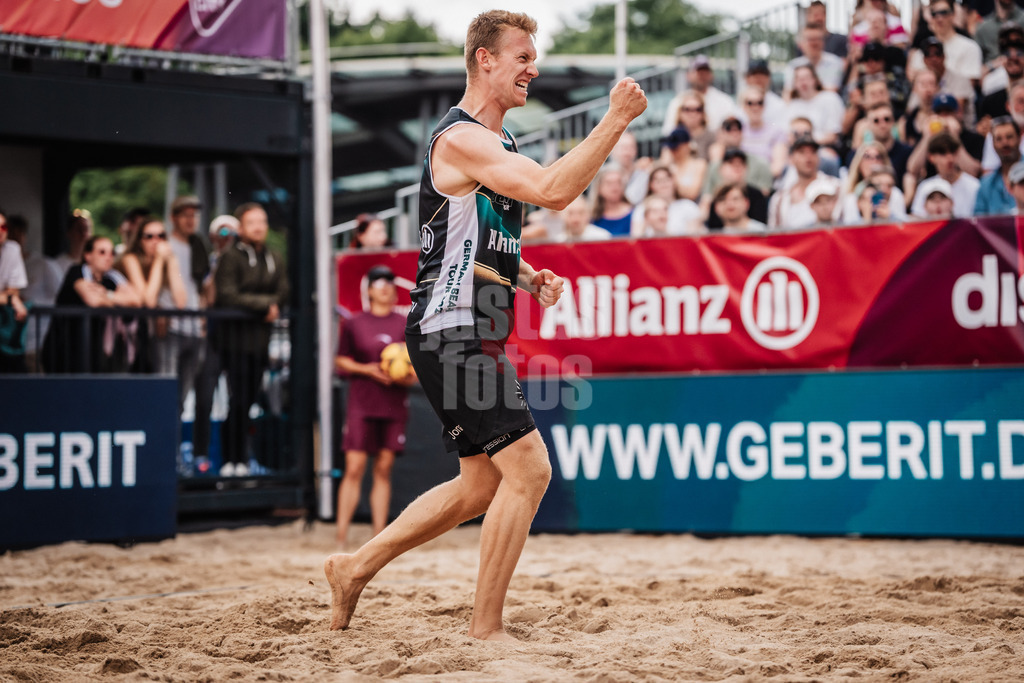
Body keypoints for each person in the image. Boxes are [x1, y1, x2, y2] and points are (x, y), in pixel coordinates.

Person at [324, 9, 647, 641]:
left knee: (478, 486)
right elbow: (553, 192)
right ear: (485, 60)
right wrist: (615, 118)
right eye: (522, 56)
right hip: (453, 326)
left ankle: (353, 567)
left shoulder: (499, 145)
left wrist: (526, 276)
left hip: (472, 322)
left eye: (535, 55)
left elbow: (471, 236)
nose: (534, 67)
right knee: (529, 470)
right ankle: (486, 628)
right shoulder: (462, 138)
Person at [334, 265, 416, 547]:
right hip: (362, 402)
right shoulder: (355, 323)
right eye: (378, 282)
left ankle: (378, 536)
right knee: (354, 468)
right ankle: (340, 536)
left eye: (390, 282)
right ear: (368, 289)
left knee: (383, 469)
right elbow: (340, 360)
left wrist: (403, 375)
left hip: (393, 404)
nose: (385, 287)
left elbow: (415, 369)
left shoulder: (404, 324)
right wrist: (369, 370)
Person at [213, 202, 289, 477]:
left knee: (250, 401)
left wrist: (268, 304)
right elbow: (227, 295)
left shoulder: (274, 256)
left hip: (261, 342)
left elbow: (283, 291)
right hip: (234, 342)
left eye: (263, 221)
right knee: (237, 401)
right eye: (252, 222)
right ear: (240, 227)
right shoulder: (230, 257)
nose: (259, 227)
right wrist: (265, 306)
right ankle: (229, 460)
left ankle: (243, 459)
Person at [41, 235, 142, 373]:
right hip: (64, 347)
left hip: (92, 350)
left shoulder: (112, 277)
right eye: (102, 252)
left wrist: (106, 294)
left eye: (112, 252)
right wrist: (116, 299)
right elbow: (92, 300)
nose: (108, 257)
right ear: (88, 255)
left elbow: (135, 300)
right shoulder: (77, 271)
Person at [192, 213, 239, 474]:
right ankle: (200, 457)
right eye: (224, 233)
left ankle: (235, 460)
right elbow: (208, 296)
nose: (229, 238)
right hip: (211, 339)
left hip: (235, 340)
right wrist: (222, 260)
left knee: (237, 400)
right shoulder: (209, 263)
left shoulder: (245, 265)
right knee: (204, 399)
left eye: (234, 234)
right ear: (213, 237)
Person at [6, 214, 61, 371]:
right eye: (11, 233)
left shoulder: (43, 264)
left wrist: (28, 303)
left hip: (36, 340)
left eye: (19, 234)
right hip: (8, 340)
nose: (15, 239)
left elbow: (59, 296)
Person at [909, 132, 980, 217]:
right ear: (931, 157)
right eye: (943, 153)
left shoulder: (974, 186)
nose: (950, 158)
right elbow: (917, 221)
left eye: (953, 152)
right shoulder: (925, 187)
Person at [768, 134, 829, 230]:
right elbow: (774, 236)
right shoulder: (779, 199)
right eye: (802, 152)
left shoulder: (837, 188)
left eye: (813, 152)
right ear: (791, 159)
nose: (808, 157)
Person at [629, 163, 702, 236]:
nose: (663, 183)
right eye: (658, 181)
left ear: (674, 181)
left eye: (667, 179)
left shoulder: (688, 206)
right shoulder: (642, 209)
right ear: (651, 185)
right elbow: (636, 239)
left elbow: (693, 239)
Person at [0, 208, 29, 373]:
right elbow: (12, 297)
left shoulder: (12, 249)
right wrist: (10, 299)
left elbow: (13, 292)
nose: (0, 232)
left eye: (4, 227)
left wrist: (11, 298)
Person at [975, 115, 1022, 214]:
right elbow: (979, 222)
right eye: (999, 139)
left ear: (1019, 138)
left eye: (1009, 137)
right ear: (992, 144)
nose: (1005, 143)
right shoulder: (986, 184)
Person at [783, 24, 846, 94]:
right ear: (800, 44)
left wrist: (801, 90)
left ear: (823, 42)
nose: (814, 43)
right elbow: (788, 93)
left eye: (818, 39)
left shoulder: (835, 62)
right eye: (810, 39)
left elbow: (832, 91)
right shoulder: (793, 65)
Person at [661, 91, 716, 159]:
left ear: (703, 113)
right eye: (687, 109)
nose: (693, 114)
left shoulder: (712, 137)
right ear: (680, 112)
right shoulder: (674, 135)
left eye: (698, 109)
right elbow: (665, 162)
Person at [660, 126, 707, 201]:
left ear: (686, 145)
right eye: (671, 148)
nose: (673, 151)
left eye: (676, 148)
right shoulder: (668, 165)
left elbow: (692, 193)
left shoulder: (699, 164)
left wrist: (671, 173)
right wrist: (665, 165)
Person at [588, 166, 634, 235]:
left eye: (619, 182)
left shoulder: (635, 213)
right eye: (609, 183)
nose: (615, 187)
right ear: (598, 187)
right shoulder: (590, 217)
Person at [54, 210, 92, 277]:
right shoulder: (58, 264)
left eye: (86, 229)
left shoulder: (95, 263)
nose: (83, 234)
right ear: (69, 232)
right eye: (79, 229)